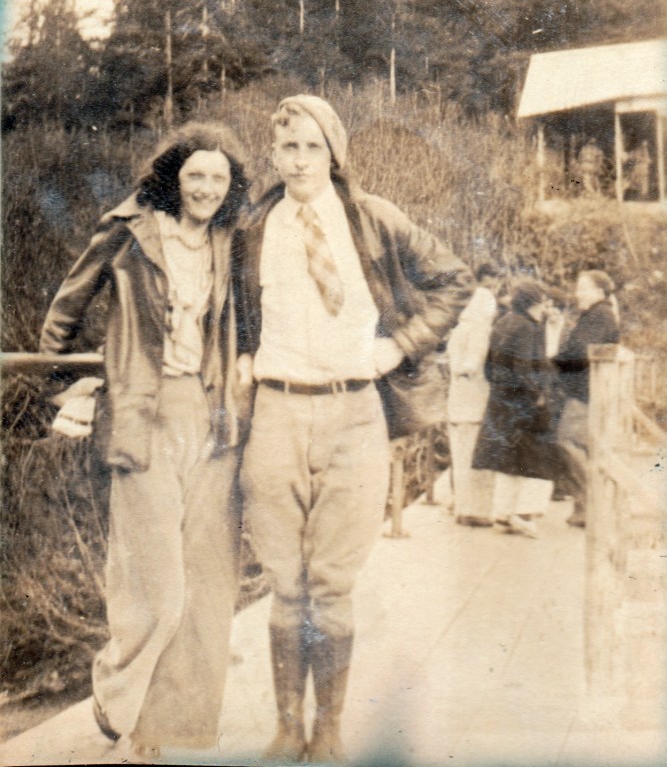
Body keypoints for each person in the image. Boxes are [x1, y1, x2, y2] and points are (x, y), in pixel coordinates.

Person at [236, 94, 473, 763]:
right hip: (277, 414)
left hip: (354, 415)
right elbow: (226, 308)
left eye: (313, 147)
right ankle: (287, 729)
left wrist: (400, 345)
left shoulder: (372, 219)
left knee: (332, 586)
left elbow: (455, 280)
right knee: (286, 588)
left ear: (334, 153)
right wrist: (243, 353)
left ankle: (330, 730)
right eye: (288, 147)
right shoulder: (254, 227)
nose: (300, 161)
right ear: (273, 154)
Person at [39, 122, 251, 757]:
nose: (206, 188)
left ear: (231, 185)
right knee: (158, 589)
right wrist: (65, 387)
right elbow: (64, 312)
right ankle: (116, 690)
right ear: (173, 178)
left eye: (218, 178)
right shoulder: (129, 231)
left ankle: (169, 730)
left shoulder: (230, 240)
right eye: (195, 176)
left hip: (212, 419)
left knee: (207, 587)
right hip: (144, 413)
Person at [472, 280, 560, 539]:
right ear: (532, 302)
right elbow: (524, 369)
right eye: (542, 302)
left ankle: (502, 513)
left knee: (508, 458)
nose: (545, 307)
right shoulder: (526, 327)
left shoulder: (503, 322)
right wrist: (537, 396)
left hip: (501, 401)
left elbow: (488, 367)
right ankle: (524, 514)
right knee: (540, 457)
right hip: (523, 403)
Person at [553, 269, 620, 528]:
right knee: (581, 445)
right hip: (586, 391)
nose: (577, 293)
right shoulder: (595, 315)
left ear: (599, 291)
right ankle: (585, 507)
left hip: (585, 392)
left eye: (583, 288)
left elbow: (580, 352)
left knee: (568, 441)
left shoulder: (600, 315)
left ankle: (591, 503)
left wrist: (554, 361)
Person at [446, 262, 503, 527]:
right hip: (475, 401)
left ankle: (461, 506)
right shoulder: (480, 329)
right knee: (475, 457)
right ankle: (474, 510)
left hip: (458, 401)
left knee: (460, 456)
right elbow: (471, 364)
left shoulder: (459, 329)